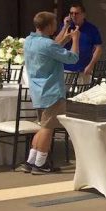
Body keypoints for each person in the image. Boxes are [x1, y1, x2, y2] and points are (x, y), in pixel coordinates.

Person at [22, 11, 80, 173]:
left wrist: (66, 29)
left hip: (38, 91)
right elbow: (73, 58)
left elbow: (52, 47)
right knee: (48, 128)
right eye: (55, 24)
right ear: (48, 26)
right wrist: (75, 39)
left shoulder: (29, 41)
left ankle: (31, 160)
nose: (57, 27)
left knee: (42, 126)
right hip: (51, 91)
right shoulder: (48, 45)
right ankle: (41, 164)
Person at [60, 3, 103, 79]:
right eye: (71, 13)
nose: (73, 15)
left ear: (83, 15)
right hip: (65, 68)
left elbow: (98, 49)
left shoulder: (92, 29)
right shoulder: (66, 27)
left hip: (83, 69)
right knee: (63, 91)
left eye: (76, 13)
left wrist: (91, 65)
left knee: (83, 91)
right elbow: (55, 44)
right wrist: (65, 27)